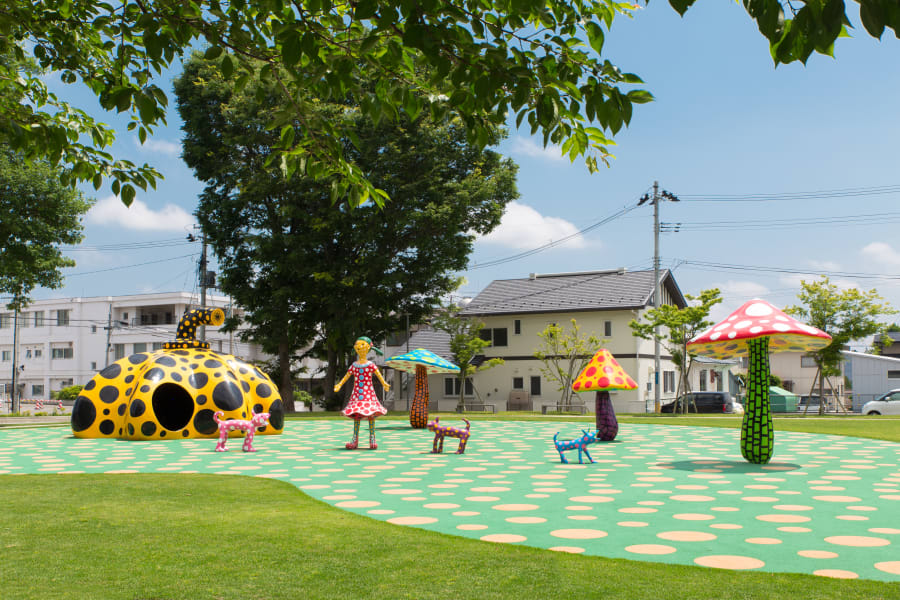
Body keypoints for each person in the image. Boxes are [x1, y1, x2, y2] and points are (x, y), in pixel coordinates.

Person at [334, 336, 390, 449]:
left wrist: (384, 383)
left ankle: (372, 438)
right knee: (356, 415)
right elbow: (347, 376)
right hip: (357, 395)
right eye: (357, 345)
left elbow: (379, 375)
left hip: (368, 393)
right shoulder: (354, 365)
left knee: (370, 415)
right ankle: (355, 439)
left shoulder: (370, 365)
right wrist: (340, 384)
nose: (359, 347)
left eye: (362, 344)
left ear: (369, 347)